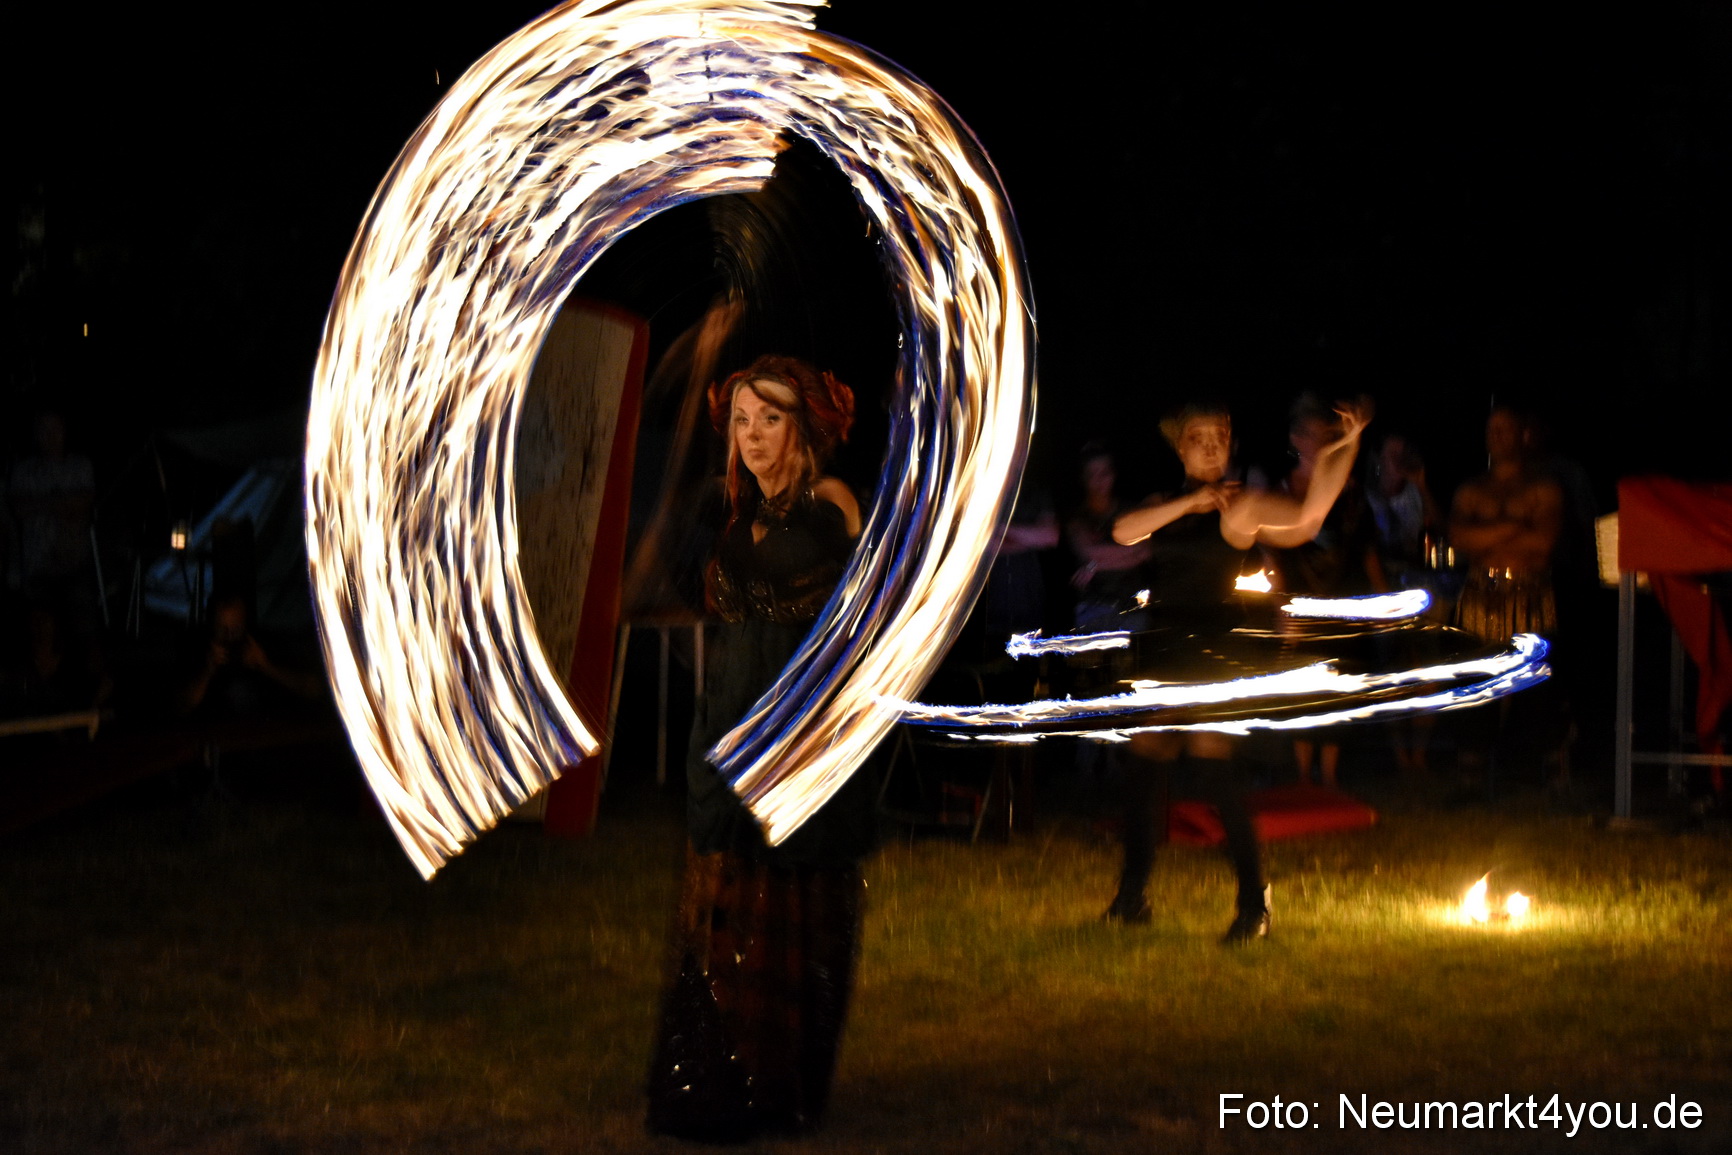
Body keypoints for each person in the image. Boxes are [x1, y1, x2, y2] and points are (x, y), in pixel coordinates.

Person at [648, 354, 869, 1141]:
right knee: (723, 902)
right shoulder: (738, 518)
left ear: (805, 426)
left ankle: (779, 1080)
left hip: (795, 729)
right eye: (742, 419)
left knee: (790, 902)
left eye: (770, 418)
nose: (752, 435)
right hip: (729, 717)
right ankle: (720, 1071)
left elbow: (852, 609)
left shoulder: (832, 503)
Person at [1107, 399, 1368, 942]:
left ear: (1230, 446)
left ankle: (1254, 904)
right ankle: (1132, 897)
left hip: (1213, 649)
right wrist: (1190, 502)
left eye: (1219, 438)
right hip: (1165, 646)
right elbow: (1123, 532)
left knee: (1211, 768)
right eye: (1198, 438)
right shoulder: (1165, 503)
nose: (1210, 447)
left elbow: (1309, 518)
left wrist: (1345, 449)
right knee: (1143, 765)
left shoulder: (1241, 506)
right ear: (1180, 449)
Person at [1449, 406, 1562, 641]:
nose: (1496, 435)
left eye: (1504, 429)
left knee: (1527, 663)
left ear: (1523, 435)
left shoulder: (1543, 489)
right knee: (1478, 661)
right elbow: (1458, 539)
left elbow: (1543, 543)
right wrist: (1518, 525)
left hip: (1527, 599)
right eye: (1491, 429)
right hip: (1478, 598)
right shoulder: (1471, 490)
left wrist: (1481, 535)